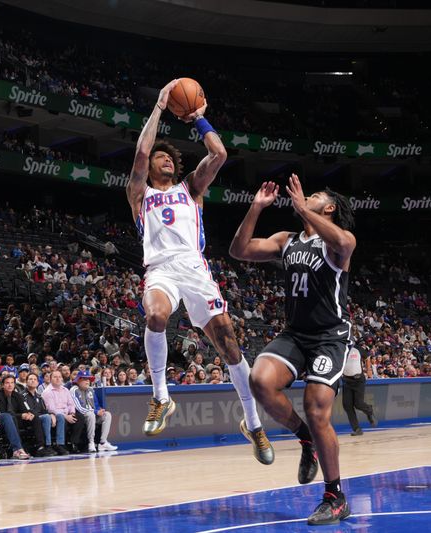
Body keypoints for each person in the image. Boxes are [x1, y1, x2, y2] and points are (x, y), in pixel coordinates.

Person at [126, 80, 272, 464]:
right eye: (161, 157)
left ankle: (253, 423)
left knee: (228, 343)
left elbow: (220, 154)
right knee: (156, 314)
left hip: (194, 268)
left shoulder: (191, 188)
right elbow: (141, 153)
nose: (166, 160)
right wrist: (159, 107)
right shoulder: (140, 195)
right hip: (160, 269)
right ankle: (160, 397)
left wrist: (199, 120)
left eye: (170, 157)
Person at [229, 177, 357, 525]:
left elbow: (345, 242)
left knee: (317, 410)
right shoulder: (287, 240)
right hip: (296, 334)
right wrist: (256, 207)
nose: (307, 197)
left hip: (330, 336)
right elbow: (239, 250)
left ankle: (335, 496)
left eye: (316, 196)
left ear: (329, 208)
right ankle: (305, 439)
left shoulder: (337, 243)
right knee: (260, 381)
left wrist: (302, 207)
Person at [71, 370, 117, 452]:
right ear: (78, 380)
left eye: (88, 379)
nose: (87, 381)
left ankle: (103, 443)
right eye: (85, 379)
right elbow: (78, 408)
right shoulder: (74, 390)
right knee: (90, 414)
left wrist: (99, 410)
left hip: (92, 415)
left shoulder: (91, 390)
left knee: (107, 415)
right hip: (81, 416)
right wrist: (95, 412)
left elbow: (96, 405)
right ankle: (91, 442)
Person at [41, 371, 83, 454]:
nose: (57, 379)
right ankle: (60, 445)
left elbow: (71, 404)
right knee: (61, 417)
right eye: (55, 377)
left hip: (67, 413)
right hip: (55, 415)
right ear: (50, 379)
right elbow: (51, 409)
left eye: (59, 377)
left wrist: (71, 413)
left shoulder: (65, 390)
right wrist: (66, 416)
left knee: (80, 417)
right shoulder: (47, 392)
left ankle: (73, 443)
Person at [341, 345, 377, 436]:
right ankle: (357, 429)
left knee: (358, 404)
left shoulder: (357, 348)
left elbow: (368, 356)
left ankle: (369, 410)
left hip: (358, 380)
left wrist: (369, 369)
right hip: (346, 380)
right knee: (347, 405)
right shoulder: (339, 349)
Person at [22, 373, 60, 456]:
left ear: (38, 382)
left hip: (41, 418)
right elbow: (27, 410)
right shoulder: (22, 395)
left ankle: (55, 445)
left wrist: (52, 415)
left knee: (50, 417)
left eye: (35, 379)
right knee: (46, 417)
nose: (33, 381)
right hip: (29, 419)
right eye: (30, 379)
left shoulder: (39, 396)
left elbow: (44, 410)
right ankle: (47, 445)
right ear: (26, 382)